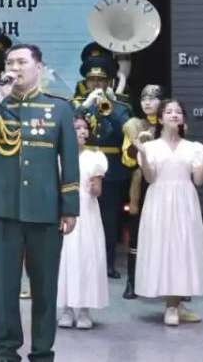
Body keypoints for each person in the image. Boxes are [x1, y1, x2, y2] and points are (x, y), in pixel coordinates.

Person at [0, 44, 79, 362]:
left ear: (39, 67)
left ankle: (42, 352)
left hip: (45, 211)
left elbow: (69, 161)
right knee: (5, 287)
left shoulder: (58, 108)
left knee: (44, 288)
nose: (15, 68)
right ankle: (6, 351)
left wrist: (70, 206)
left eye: (22, 62)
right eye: (10, 62)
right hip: (3, 210)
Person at [134, 98, 203, 325]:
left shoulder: (193, 147)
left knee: (182, 249)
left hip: (184, 202)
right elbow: (150, 178)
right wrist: (142, 155)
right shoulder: (150, 147)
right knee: (163, 248)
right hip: (159, 201)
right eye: (169, 112)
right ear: (160, 118)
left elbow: (199, 181)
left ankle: (176, 303)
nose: (174, 115)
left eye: (178, 112)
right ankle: (171, 305)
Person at [75, 56, 132, 280]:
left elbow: (124, 131)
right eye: (92, 80)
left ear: (109, 82)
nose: (96, 84)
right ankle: (80, 260)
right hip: (82, 166)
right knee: (80, 217)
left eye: (101, 80)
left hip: (111, 170)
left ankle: (108, 263)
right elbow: (66, 126)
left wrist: (112, 106)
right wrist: (85, 106)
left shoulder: (121, 105)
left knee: (109, 220)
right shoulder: (77, 103)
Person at [55, 116, 108, 329]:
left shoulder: (95, 157)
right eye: (76, 127)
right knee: (64, 259)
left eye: (85, 128)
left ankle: (85, 310)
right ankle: (66, 309)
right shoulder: (57, 157)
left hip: (87, 213)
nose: (82, 131)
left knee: (87, 257)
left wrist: (94, 183)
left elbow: (97, 191)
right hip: (62, 212)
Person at [119, 83, 162, 299]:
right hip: (140, 183)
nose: (147, 102)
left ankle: (172, 284)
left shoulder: (170, 123)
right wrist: (138, 146)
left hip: (164, 183)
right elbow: (126, 159)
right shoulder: (133, 125)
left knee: (166, 232)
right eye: (144, 98)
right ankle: (132, 281)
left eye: (153, 98)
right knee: (136, 232)